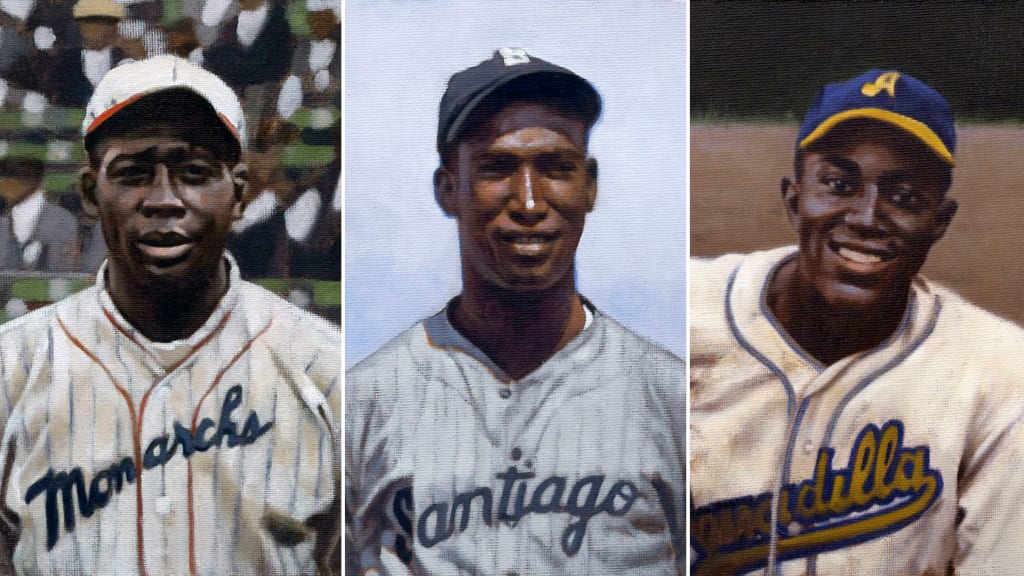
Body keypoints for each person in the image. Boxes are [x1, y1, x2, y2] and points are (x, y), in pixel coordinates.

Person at [346, 49, 686, 575]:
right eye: (496, 169)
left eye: (556, 168)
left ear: (590, 186)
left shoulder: (671, 398)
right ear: (447, 189)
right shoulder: (366, 401)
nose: (528, 203)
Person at [0, 55, 339, 575]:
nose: (163, 200)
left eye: (194, 173)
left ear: (240, 194)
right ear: (92, 193)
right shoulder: (11, 367)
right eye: (133, 173)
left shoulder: (328, 369)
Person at [689, 70, 1024, 575]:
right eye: (839, 184)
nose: (867, 217)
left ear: (939, 222)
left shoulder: (1001, 374)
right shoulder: (688, 313)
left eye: (904, 196)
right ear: (793, 197)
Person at [0, 154, 78, 271]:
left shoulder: (61, 219)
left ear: (35, 182)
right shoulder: (4, 217)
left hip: (43, 284)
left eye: (14, 178)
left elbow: (62, 269)